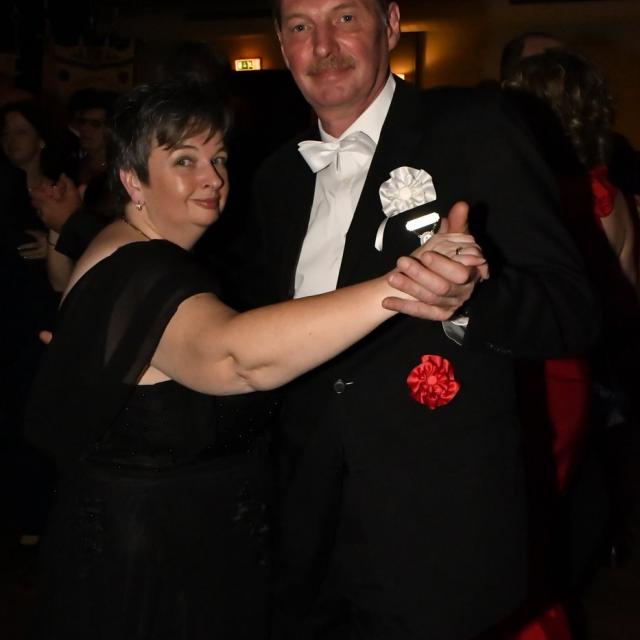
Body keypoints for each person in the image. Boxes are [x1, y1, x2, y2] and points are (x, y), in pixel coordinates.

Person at [24, 78, 483, 639]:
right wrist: (408, 281)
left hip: (161, 547)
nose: (212, 178)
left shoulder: (127, 249)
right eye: (185, 160)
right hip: (153, 569)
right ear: (132, 179)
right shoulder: (139, 269)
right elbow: (237, 360)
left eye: (217, 158)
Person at [234, 1, 600, 638]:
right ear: (281, 44)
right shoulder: (273, 178)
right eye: (300, 26)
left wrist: (470, 301)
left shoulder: (475, 128)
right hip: (309, 523)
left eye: (345, 18)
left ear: (392, 24)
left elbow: (571, 311)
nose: (323, 45)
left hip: (437, 524)